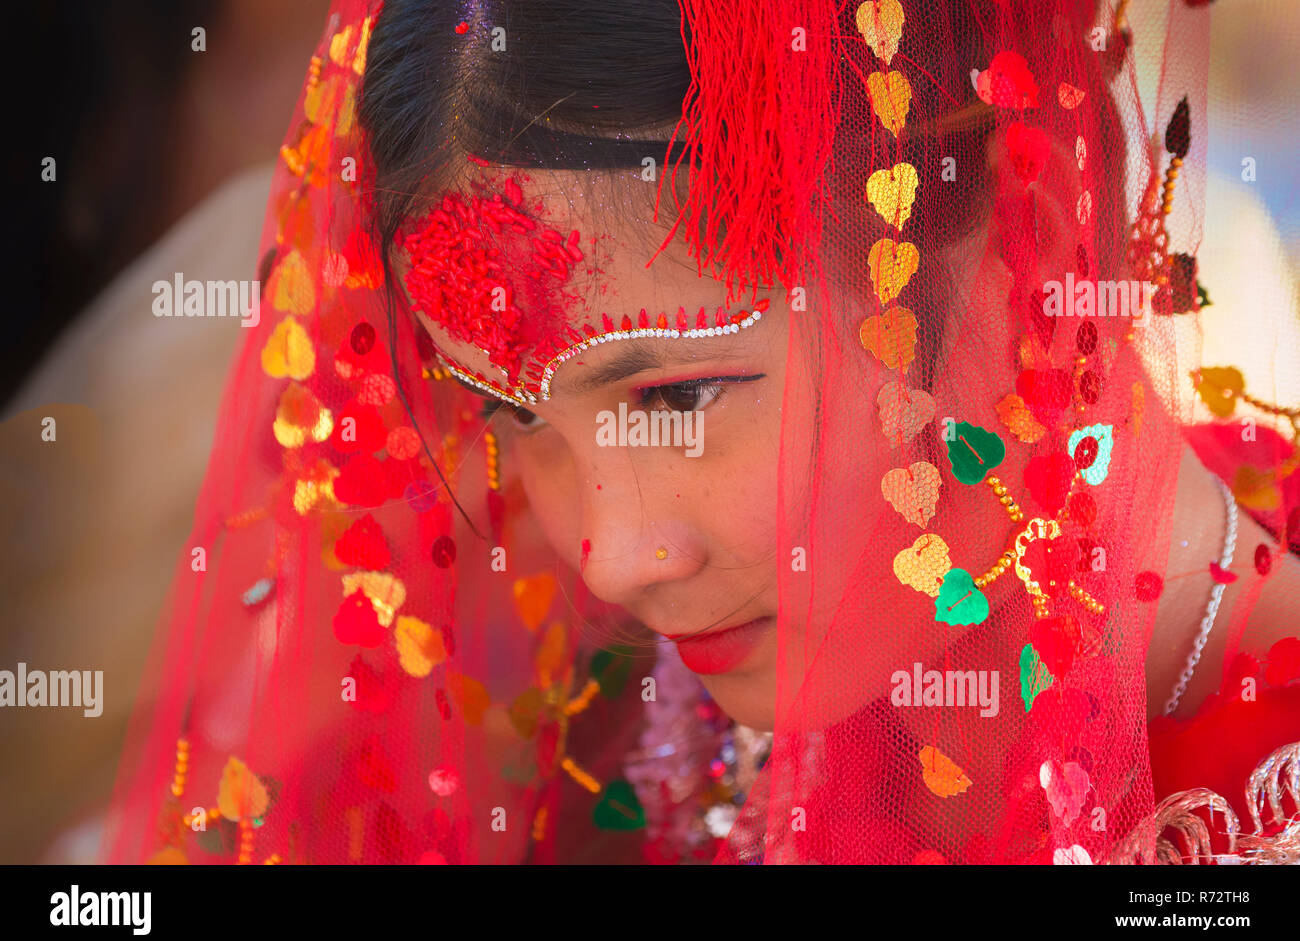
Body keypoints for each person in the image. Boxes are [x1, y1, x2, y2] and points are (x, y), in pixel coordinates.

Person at [103, 0, 1299, 865]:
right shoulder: (645, 718)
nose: (613, 559)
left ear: (1026, 235)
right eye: (514, 411)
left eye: (677, 399)